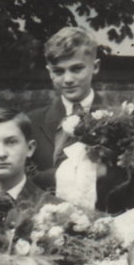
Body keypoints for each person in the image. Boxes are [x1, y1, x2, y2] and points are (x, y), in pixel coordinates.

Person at [24, 26, 103, 176]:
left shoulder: (119, 118)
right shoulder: (31, 123)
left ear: (95, 67)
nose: (68, 79)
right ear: (50, 72)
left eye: (76, 69)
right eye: (59, 71)